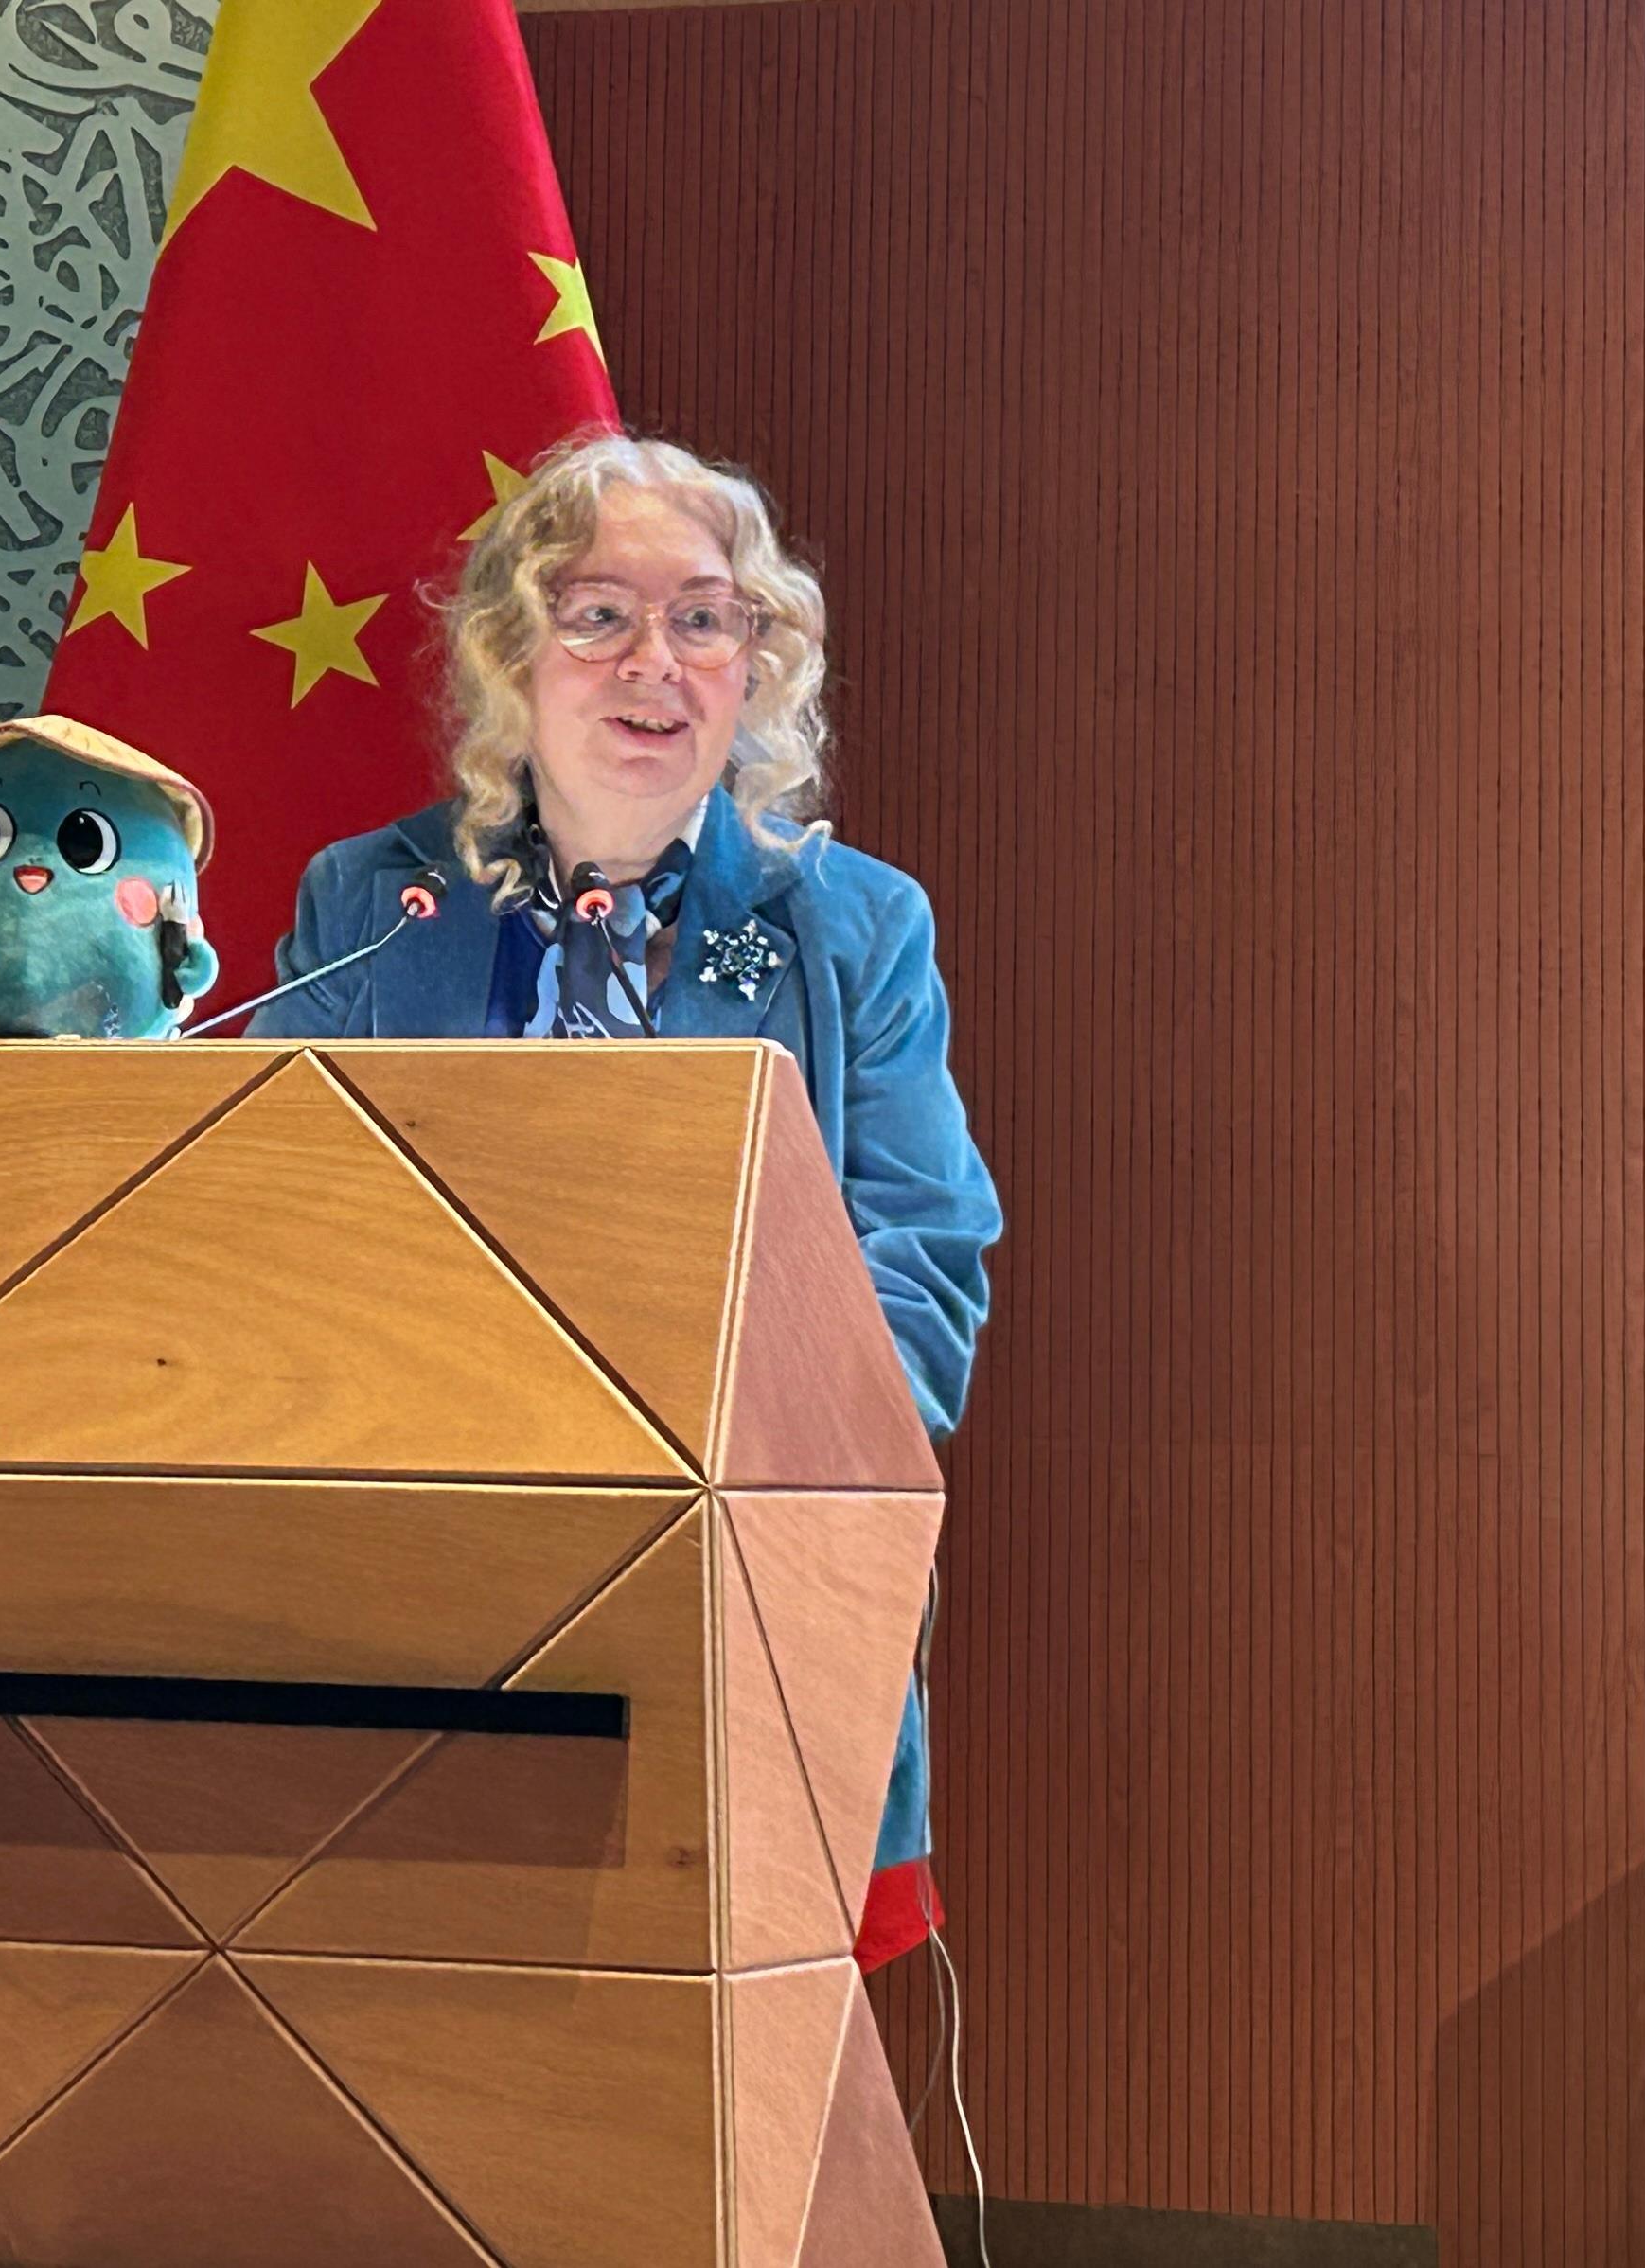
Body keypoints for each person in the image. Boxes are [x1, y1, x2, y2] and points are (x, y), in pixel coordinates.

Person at [251, 431, 1002, 1965]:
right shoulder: (369, 902)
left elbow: (922, 1271)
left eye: (703, 618)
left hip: (737, 1596)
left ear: (754, 667)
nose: (654, 661)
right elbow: (277, 1240)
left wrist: (732, 1453)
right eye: (597, 613)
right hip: (419, 1589)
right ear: (511, 651)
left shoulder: (851, 926)